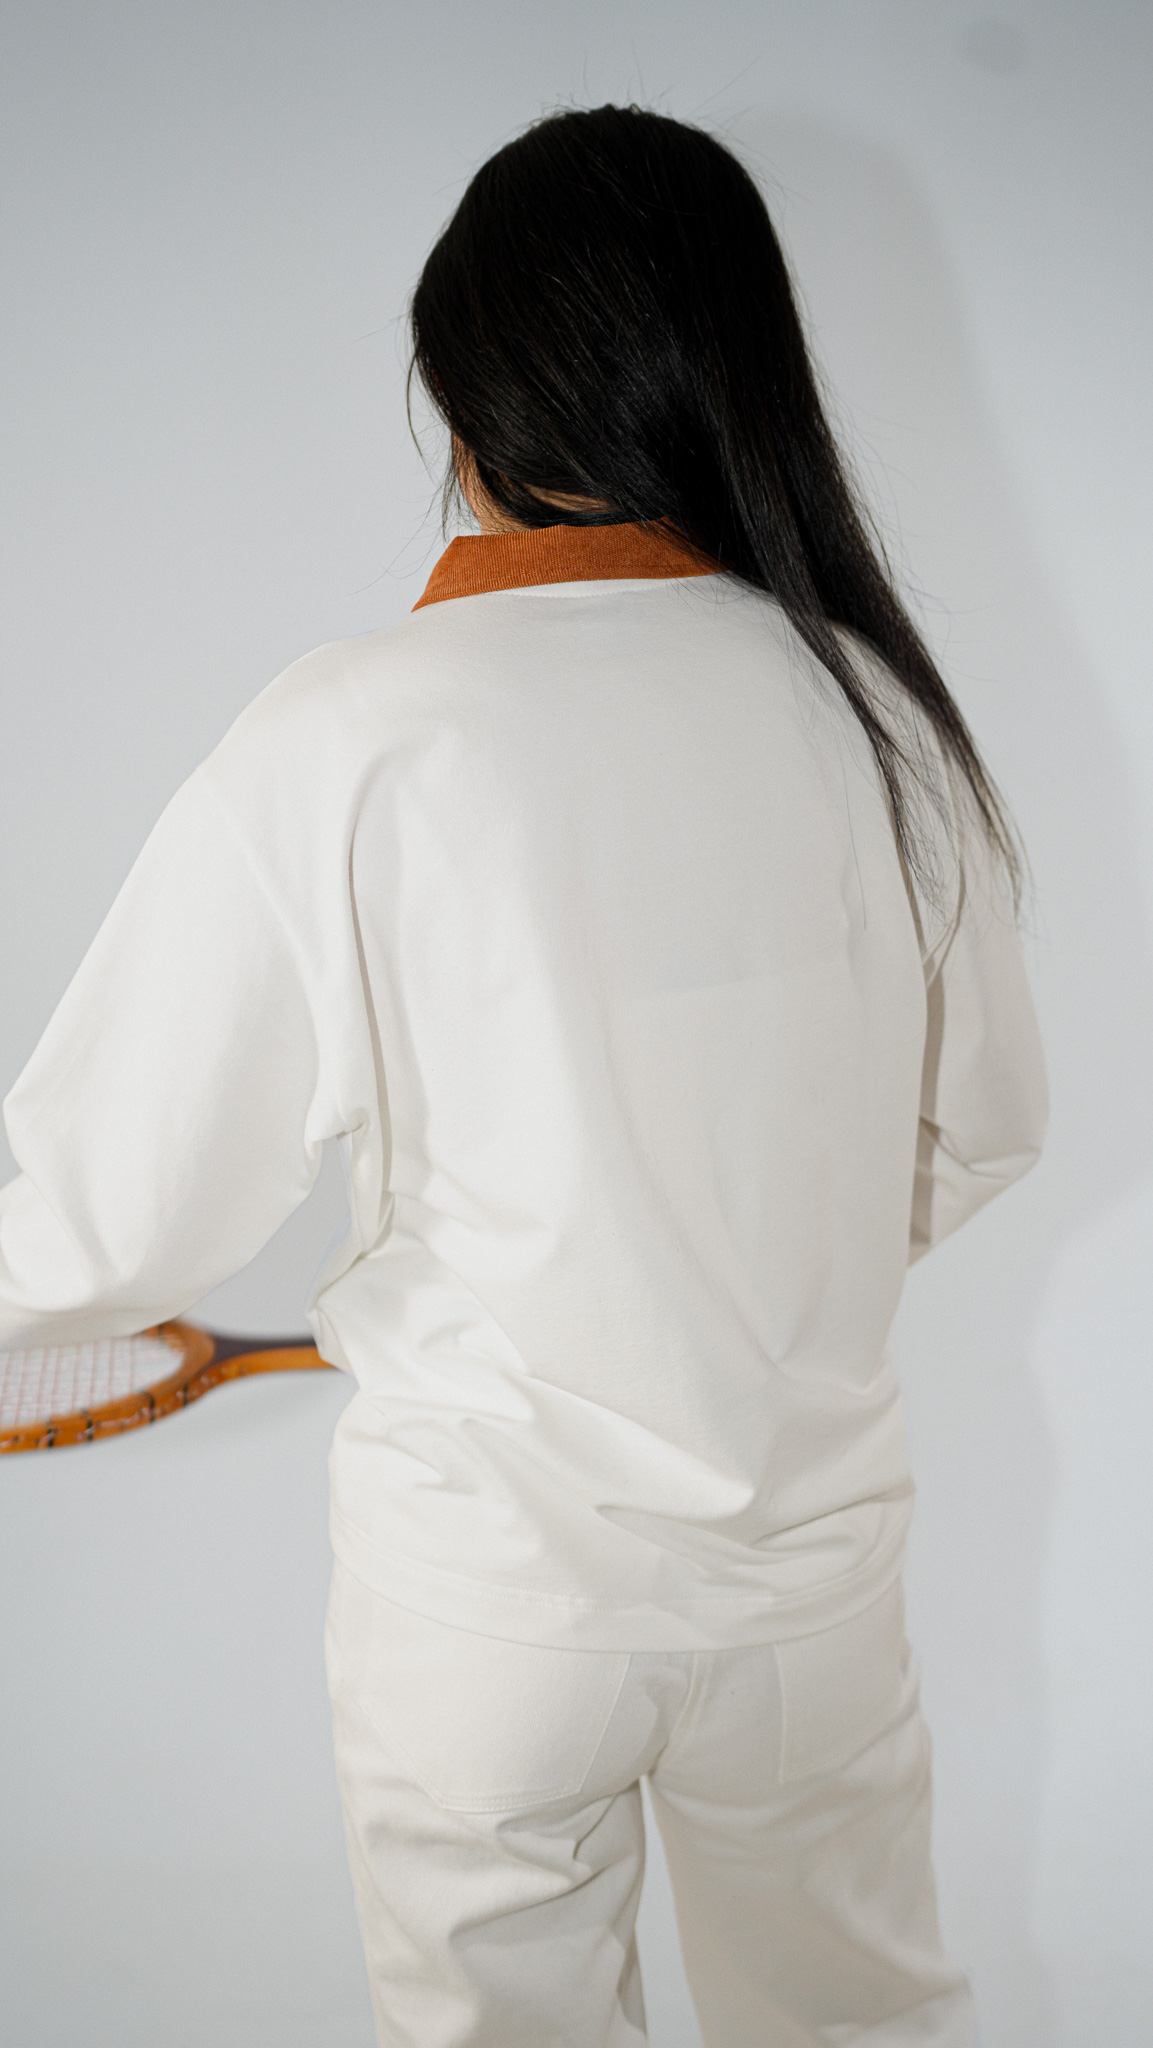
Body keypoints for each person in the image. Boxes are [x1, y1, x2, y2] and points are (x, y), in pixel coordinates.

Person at [0, 104, 1046, 2047]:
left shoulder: (351, 732)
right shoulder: (879, 721)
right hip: (812, 1598)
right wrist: (721, 1276)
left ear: (464, 399)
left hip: (489, 1611)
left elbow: (97, 1215)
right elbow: (977, 1130)